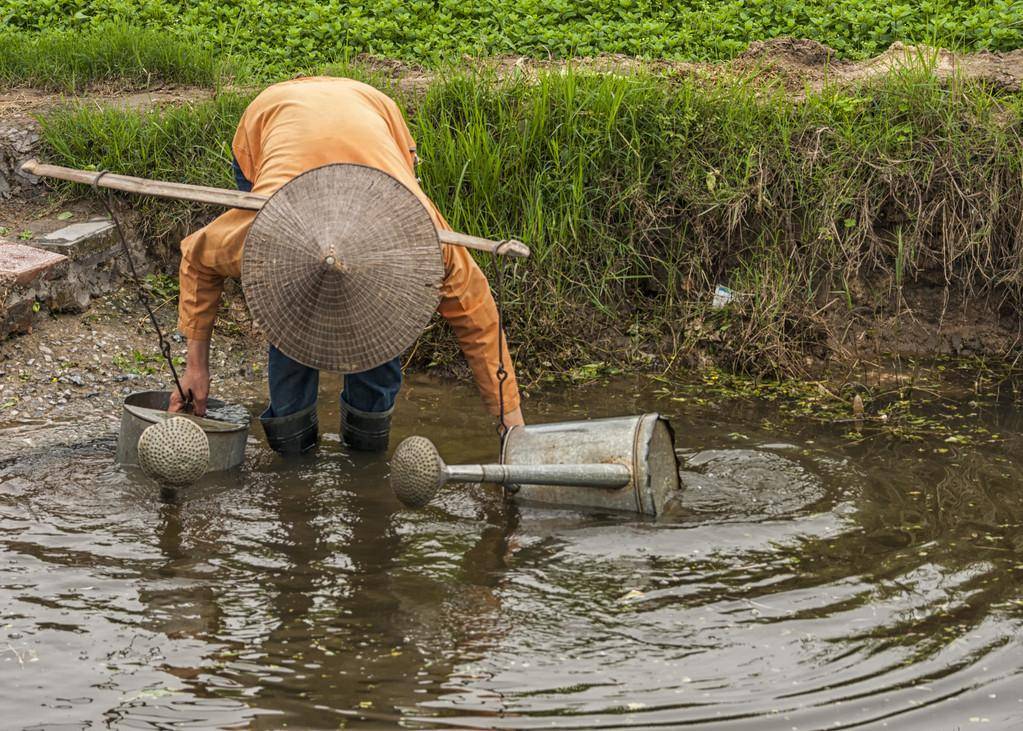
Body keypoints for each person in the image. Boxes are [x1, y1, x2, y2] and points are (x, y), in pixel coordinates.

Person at [169, 76, 524, 454]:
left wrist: (512, 427)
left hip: (371, 108)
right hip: (272, 116)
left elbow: (479, 322)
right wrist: (195, 369)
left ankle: (365, 448)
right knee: (289, 300)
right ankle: (293, 449)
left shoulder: (423, 238)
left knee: (381, 324)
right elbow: (197, 257)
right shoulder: (267, 227)